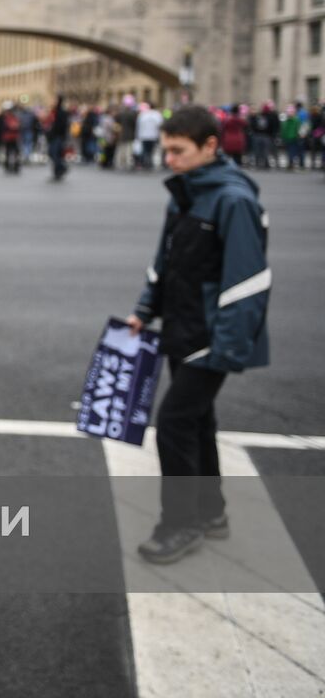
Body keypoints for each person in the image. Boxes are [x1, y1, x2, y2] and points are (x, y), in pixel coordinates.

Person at [127, 104, 269, 565]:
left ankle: (180, 524)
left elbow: (247, 283)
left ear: (210, 146)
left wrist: (227, 349)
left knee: (173, 423)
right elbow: (165, 259)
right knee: (197, 421)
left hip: (211, 336)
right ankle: (212, 512)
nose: (168, 159)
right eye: (166, 149)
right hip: (182, 326)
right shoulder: (185, 193)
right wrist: (145, 309)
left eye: (177, 150)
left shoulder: (233, 200)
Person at [47, 95, 71, 181]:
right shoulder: (55, 111)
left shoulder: (61, 112)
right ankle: (57, 172)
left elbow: (61, 126)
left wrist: (52, 131)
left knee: (54, 153)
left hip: (57, 136)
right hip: (54, 136)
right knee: (54, 154)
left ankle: (61, 168)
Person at [136, 100, 164, 169]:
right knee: (152, 150)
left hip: (144, 135)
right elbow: (160, 125)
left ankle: (145, 163)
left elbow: (139, 126)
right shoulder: (157, 114)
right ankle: (150, 163)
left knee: (145, 151)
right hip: (153, 135)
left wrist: (138, 136)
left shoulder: (143, 114)